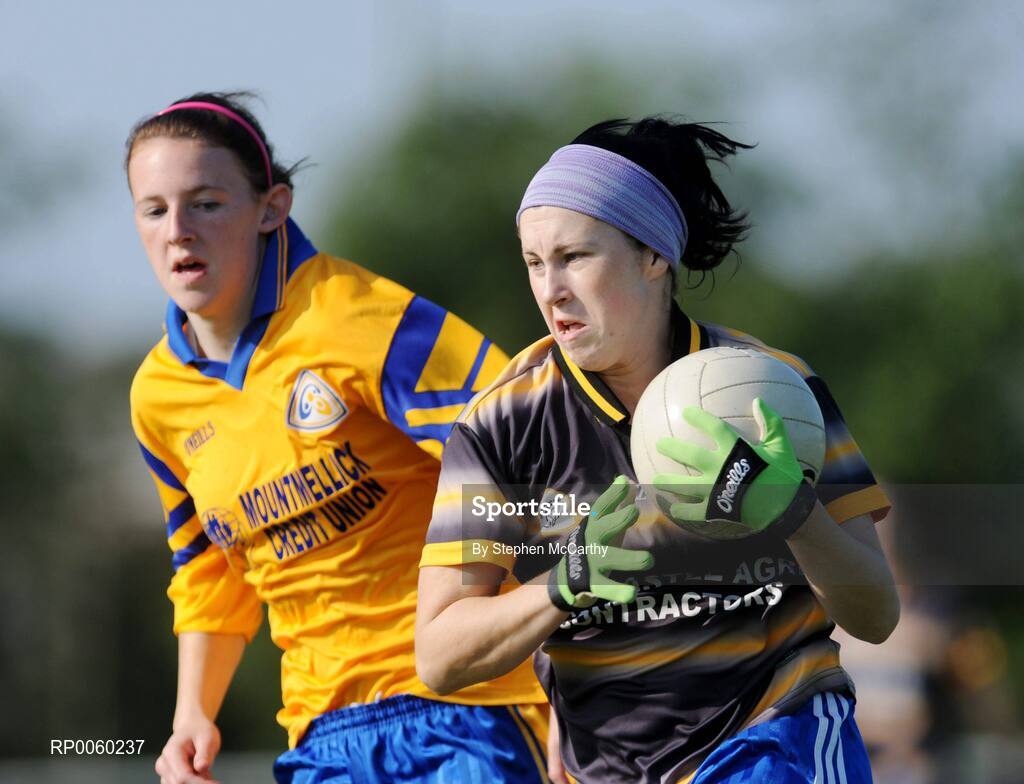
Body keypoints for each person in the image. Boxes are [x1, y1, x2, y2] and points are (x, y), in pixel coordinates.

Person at [415, 118, 901, 784]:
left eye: (576, 256)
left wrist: (792, 513)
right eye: (534, 262)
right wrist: (564, 585)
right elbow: (439, 653)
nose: (550, 288)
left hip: (776, 734)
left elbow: (875, 613)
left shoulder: (776, 391)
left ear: (653, 256)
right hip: (609, 768)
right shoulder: (501, 423)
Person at [126, 92, 551, 784]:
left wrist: (576, 670)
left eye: (205, 202)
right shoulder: (157, 399)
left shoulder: (358, 316)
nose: (178, 230)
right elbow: (206, 570)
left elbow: (527, 454)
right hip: (321, 732)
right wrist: (191, 716)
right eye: (154, 209)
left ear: (272, 207)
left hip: (471, 708)